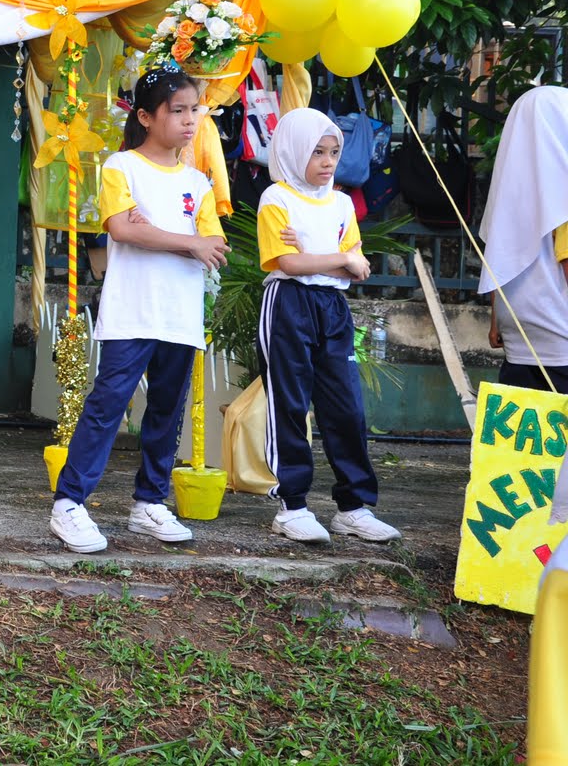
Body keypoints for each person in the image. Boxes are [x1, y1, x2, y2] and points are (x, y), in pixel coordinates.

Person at [50, 60, 227, 554]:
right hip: (133, 308)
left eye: (195, 110)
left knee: (166, 412)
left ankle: (149, 501)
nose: (190, 120)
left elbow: (213, 243)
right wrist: (184, 242)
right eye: (178, 110)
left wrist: (163, 235)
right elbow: (122, 229)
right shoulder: (120, 166)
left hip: (180, 312)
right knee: (108, 405)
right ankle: (69, 502)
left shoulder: (199, 183)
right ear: (147, 117)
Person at [255, 108, 399, 544]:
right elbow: (290, 265)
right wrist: (336, 258)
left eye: (334, 152)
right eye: (317, 152)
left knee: (347, 407)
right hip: (288, 305)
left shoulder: (340, 203)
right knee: (290, 405)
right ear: (295, 150)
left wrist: (328, 259)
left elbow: (360, 267)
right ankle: (292, 505)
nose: (328, 161)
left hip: (332, 308)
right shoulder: (276, 198)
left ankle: (353, 507)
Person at [480, 86, 568, 394]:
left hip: (516, 331)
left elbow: (497, 258)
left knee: (522, 436)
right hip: (560, 332)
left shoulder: (506, 191)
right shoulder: (564, 190)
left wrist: (495, 320)